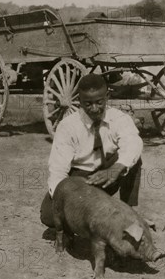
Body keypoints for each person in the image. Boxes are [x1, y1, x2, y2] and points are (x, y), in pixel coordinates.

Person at [40, 73, 143, 228]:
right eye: (88, 104)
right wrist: (71, 201)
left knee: (133, 159)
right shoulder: (67, 126)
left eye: (99, 102)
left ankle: (129, 213)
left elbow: (133, 143)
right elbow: (58, 171)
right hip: (79, 181)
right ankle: (91, 215)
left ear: (107, 97)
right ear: (79, 101)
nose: (94, 109)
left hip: (109, 175)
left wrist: (117, 167)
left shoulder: (119, 118)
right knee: (48, 215)